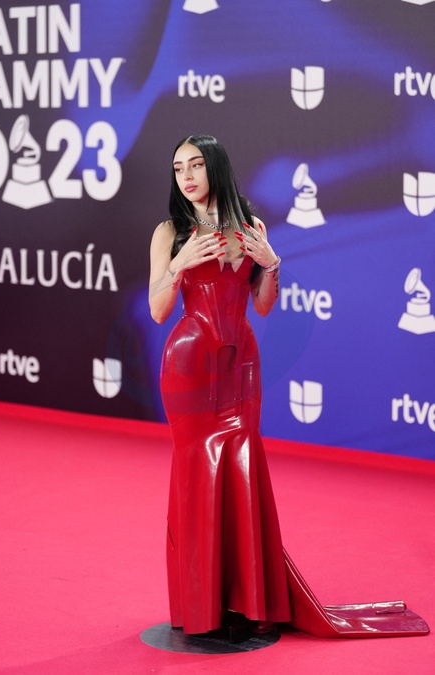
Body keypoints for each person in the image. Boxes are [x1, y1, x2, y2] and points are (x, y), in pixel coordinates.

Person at [148, 134, 429, 641]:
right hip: (190, 364)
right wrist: (179, 263)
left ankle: (245, 601)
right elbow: (158, 310)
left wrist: (272, 263)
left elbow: (262, 305)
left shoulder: (253, 228)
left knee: (243, 467)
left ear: (216, 166)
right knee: (197, 473)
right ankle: (200, 604)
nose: (186, 176)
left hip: (241, 365)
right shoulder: (170, 232)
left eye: (196, 165)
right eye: (178, 168)